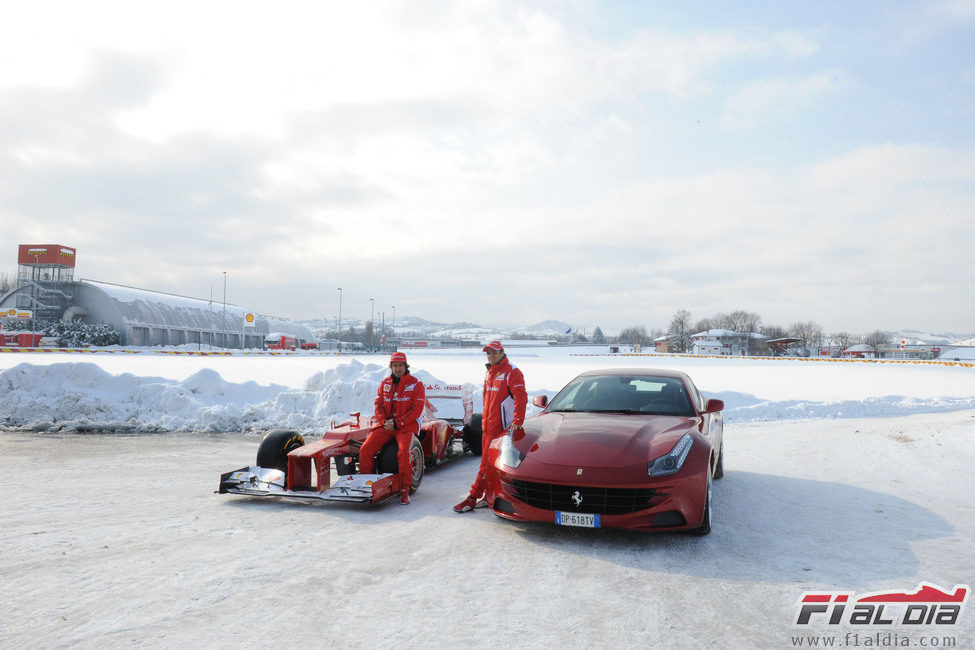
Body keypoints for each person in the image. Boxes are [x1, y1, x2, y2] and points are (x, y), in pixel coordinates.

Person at [454, 340, 527, 513]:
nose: (490, 355)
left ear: (502, 352)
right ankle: (489, 496)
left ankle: (472, 498)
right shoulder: (489, 373)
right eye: (488, 353)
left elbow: (521, 398)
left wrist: (517, 421)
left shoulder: (512, 371)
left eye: (494, 352)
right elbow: (488, 401)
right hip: (488, 427)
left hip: (501, 429)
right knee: (490, 465)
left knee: (486, 466)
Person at [359, 351, 426, 505]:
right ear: (391, 367)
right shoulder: (385, 384)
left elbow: (416, 410)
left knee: (403, 453)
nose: (398, 369)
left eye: (400, 365)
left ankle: (405, 490)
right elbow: (378, 405)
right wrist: (384, 421)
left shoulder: (416, 384)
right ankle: (366, 486)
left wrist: (398, 423)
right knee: (365, 450)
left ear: (406, 366)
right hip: (386, 425)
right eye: (395, 366)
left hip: (406, 426)